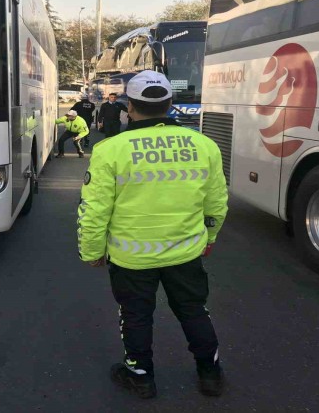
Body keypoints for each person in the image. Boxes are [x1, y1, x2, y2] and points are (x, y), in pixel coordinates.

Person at [77, 70, 229, 399]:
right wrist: (210, 237)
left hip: (131, 256)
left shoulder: (110, 150)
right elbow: (216, 202)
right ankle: (210, 373)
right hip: (185, 251)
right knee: (193, 309)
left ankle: (140, 376)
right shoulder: (204, 146)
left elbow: (94, 209)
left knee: (135, 315)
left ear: (130, 107)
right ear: (170, 104)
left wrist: (91, 251)